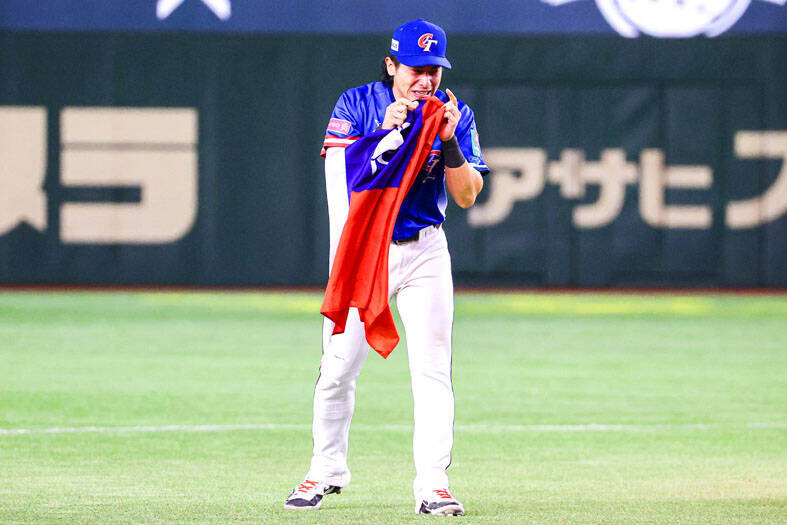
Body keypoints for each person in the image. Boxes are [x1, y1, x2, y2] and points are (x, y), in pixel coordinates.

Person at [284, 18, 488, 516]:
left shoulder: (453, 113)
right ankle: (325, 470)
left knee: (433, 369)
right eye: (416, 69)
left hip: (425, 249)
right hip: (367, 250)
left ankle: (432, 485)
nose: (426, 81)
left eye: (434, 71)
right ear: (391, 65)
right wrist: (384, 132)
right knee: (338, 366)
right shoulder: (357, 104)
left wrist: (449, 140)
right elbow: (341, 180)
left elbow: (467, 195)